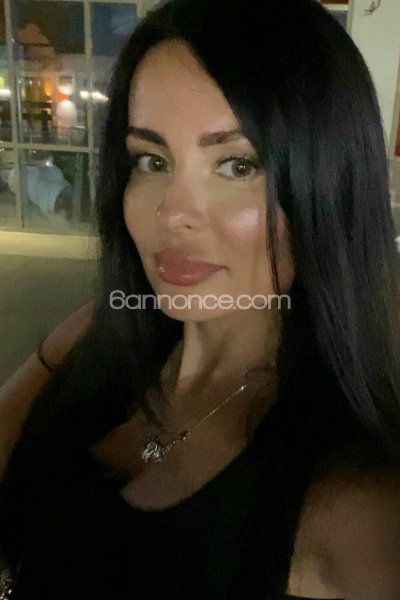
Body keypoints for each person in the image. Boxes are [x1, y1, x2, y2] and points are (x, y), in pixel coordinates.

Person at [1, 0, 400, 598]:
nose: (172, 214)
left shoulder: (355, 508)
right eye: (152, 160)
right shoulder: (93, 336)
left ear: (326, 187)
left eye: (237, 165)